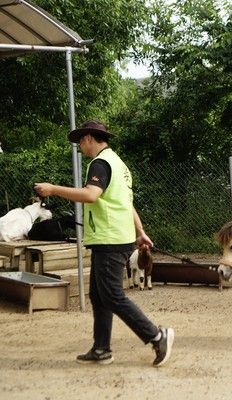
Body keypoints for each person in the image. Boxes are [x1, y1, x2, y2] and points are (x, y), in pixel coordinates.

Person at [34, 120, 174, 367]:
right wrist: (140, 231)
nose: (80, 147)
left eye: (80, 141)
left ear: (89, 138)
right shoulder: (119, 164)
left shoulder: (100, 163)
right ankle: (101, 349)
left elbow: (90, 195)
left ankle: (156, 336)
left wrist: (53, 189)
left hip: (110, 238)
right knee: (99, 296)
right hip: (112, 237)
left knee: (112, 295)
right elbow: (126, 203)